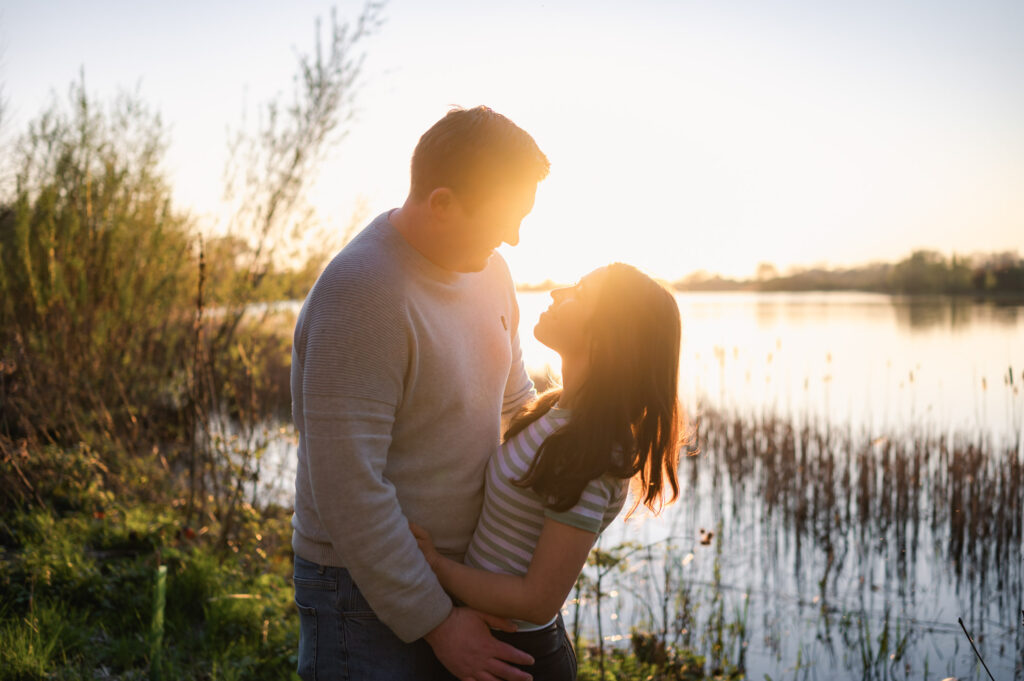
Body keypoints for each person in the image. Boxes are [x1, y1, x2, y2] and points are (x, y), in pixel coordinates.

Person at [290, 106, 549, 681]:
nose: (513, 236)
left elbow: (514, 404)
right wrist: (437, 621)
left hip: (462, 572)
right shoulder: (363, 292)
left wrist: (586, 445)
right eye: (504, 218)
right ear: (442, 203)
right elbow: (349, 486)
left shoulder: (491, 270)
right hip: (358, 591)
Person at [411, 263, 683, 679]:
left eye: (578, 291)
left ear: (606, 333)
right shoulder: (553, 413)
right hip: (493, 641)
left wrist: (437, 565)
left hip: (517, 654)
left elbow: (538, 599)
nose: (557, 292)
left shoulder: (595, 454)